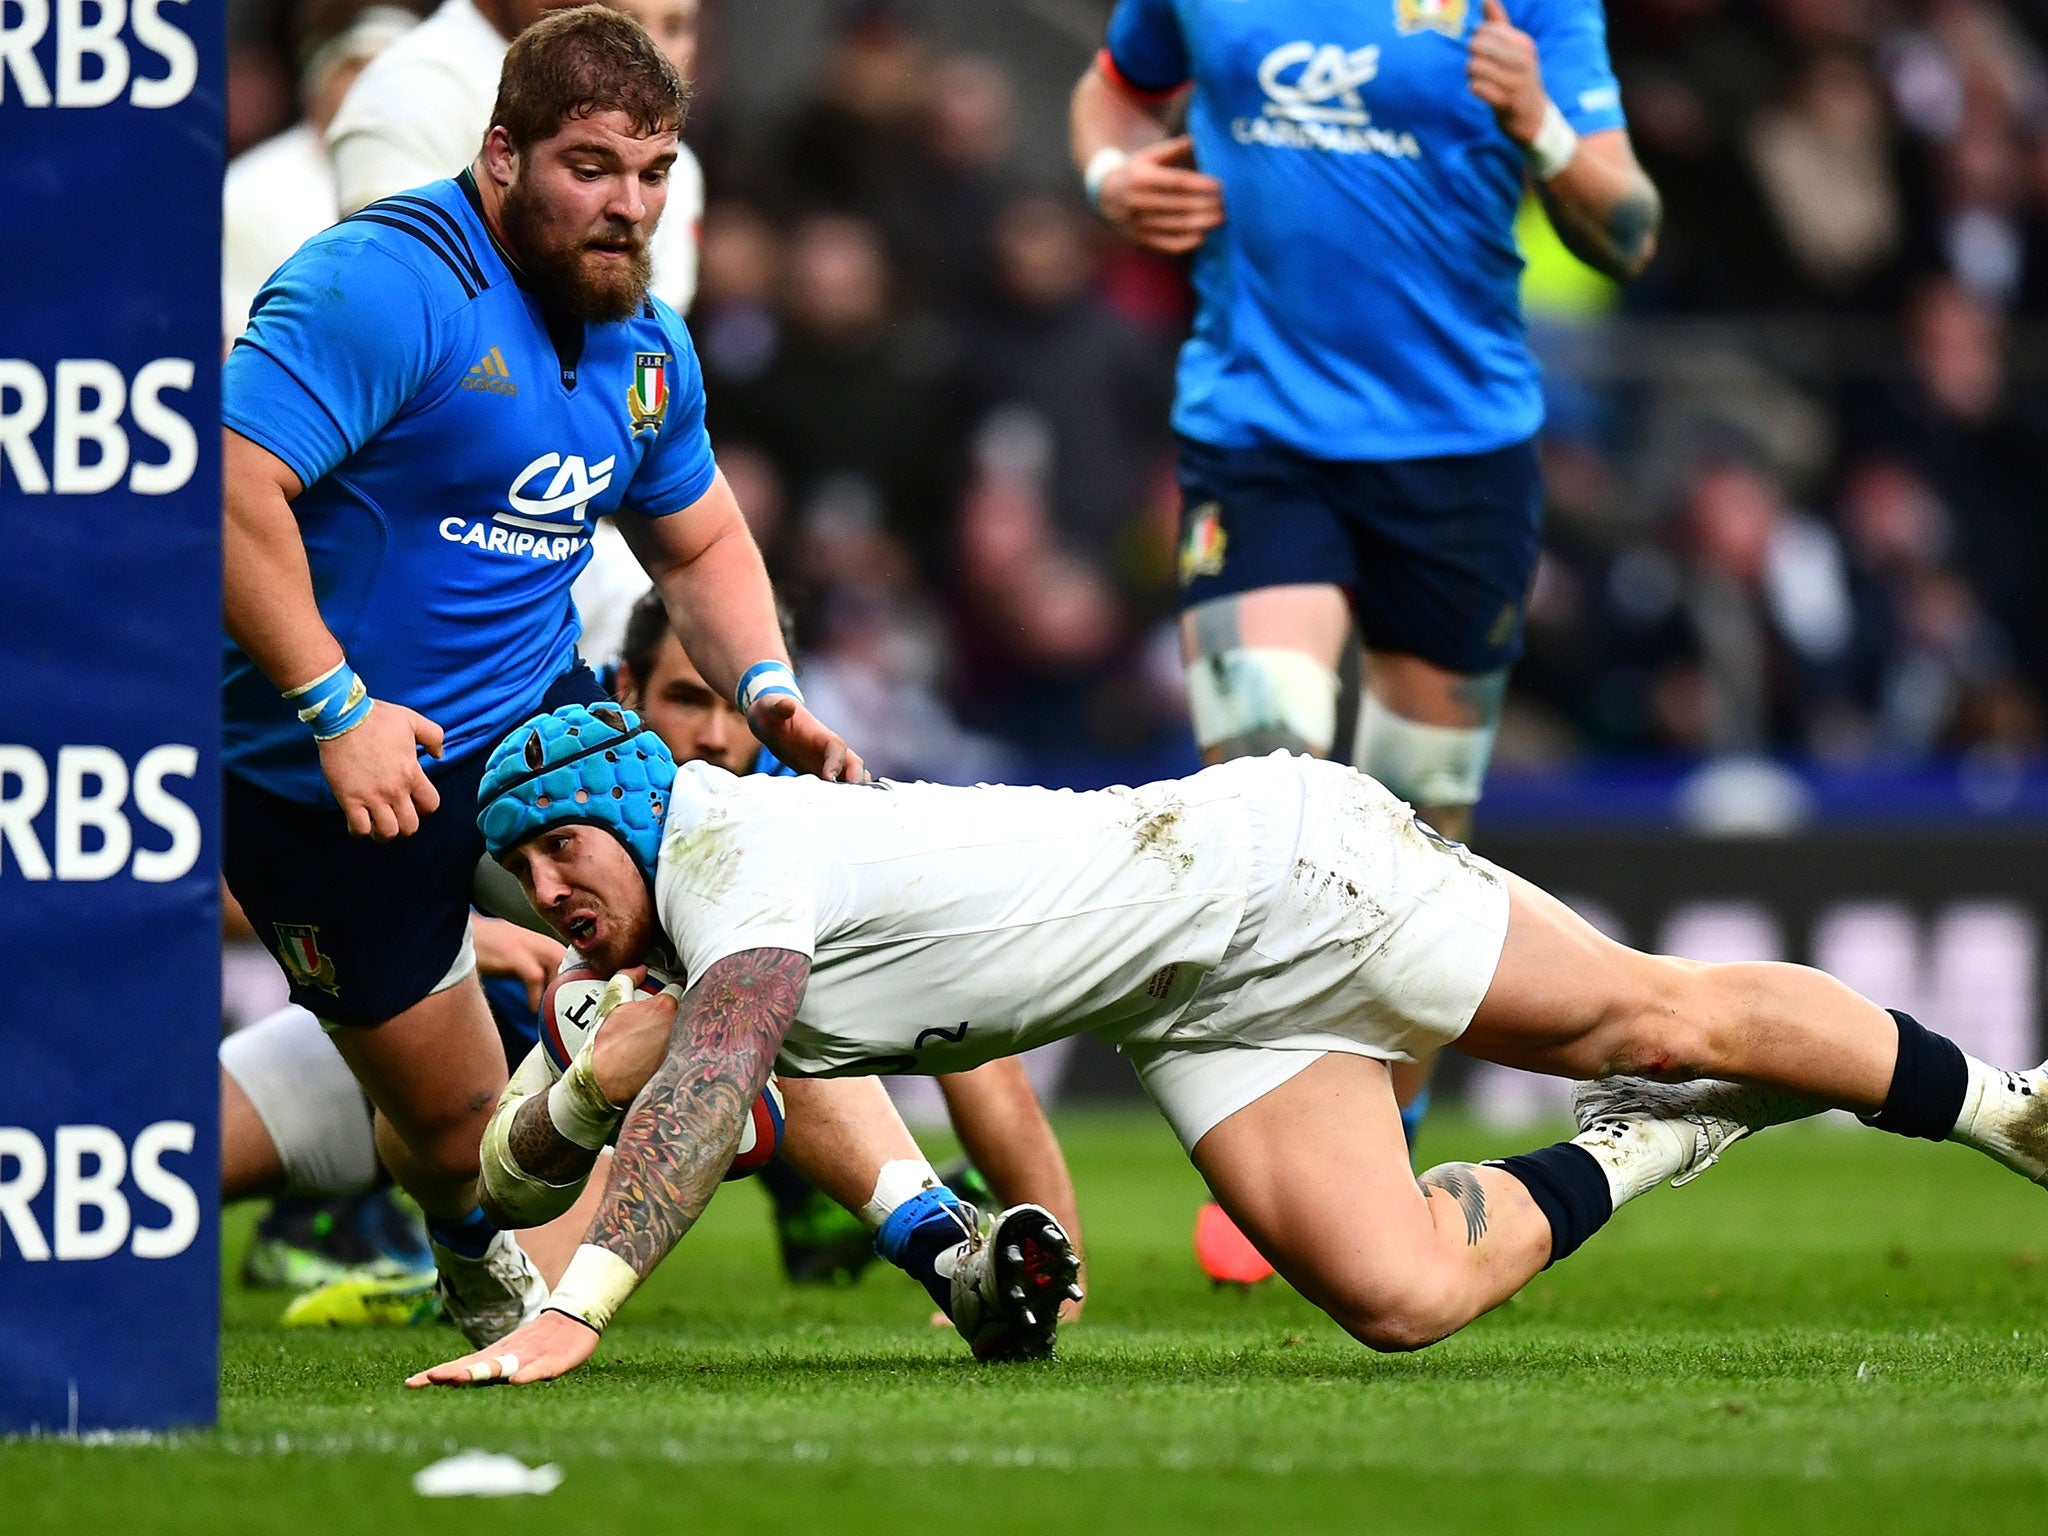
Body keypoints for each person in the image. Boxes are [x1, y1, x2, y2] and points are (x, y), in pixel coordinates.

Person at [414, 705, 2048, 1386]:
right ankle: (1651, 1140)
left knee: (1646, 1007)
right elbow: (560, 1132)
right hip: (1182, 998)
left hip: (1278, 876)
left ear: (626, 812)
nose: (551, 898)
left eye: (561, 856)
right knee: (1397, 1298)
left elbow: (707, 1090)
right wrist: (560, 1106)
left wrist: (574, 1314)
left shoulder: (719, 848)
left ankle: (2001, 1109)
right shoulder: (675, 928)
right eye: (527, 880)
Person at [222, 6, 879, 1347]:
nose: (628, 205)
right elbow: (225, 486)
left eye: (654, 173)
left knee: (746, 919)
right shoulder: (381, 282)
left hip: (534, 724)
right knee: (460, 1131)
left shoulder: (645, 344)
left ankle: (927, 1235)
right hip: (317, 768)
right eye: (592, 167)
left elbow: (695, 535)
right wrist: (336, 707)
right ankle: (475, 1243)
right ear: (503, 154)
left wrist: (762, 689)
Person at [1068, 0, 1664, 1259]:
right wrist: (1113, 173)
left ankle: (1377, 1146)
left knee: (1420, 833)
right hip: (1256, 437)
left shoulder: (1531, 10)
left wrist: (1542, 127)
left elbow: (1627, 226)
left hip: (1459, 458)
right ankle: (1277, 1160)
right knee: (1263, 798)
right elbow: (1112, 91)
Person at [610, 589, 1086, 1287]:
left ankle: (1023, 1262)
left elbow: (958, 1010)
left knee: (822, 996)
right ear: (626, 689)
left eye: (731, 707)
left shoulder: (806, 799)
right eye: (687, 699)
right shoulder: (562, 774)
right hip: (521, 1025)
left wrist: (1064, 1274)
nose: (714, 736)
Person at [326, 0, 703, 311]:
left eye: (674, 26)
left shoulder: (672, 160)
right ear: (502, 153)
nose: (650, 49)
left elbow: (645, 359)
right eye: (589, 170)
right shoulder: (410, 92)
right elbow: (393, 302)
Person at [222, 0, 419, 341]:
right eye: (354, 69)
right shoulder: (249, 187)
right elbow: (236, 327)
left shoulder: (447, 173)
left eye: (383, 69)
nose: (366, 87)